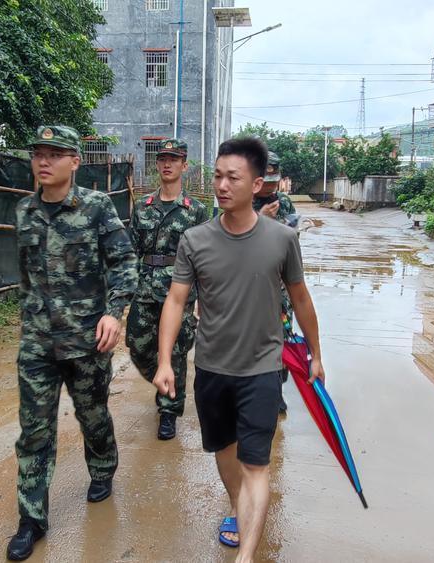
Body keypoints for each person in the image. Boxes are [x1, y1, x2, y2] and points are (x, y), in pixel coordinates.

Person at [153, 137, 325, 562]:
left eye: (233, 177)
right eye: (217, 176)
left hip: (262, 368)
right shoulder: (194, 240)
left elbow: (301, 299)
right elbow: (176, 301)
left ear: (257, 183)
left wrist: (315, 355)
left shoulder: (282, 239)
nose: (222, 185)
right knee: (225, 452)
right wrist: (164, 361)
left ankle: (246, 553)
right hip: (212, 366)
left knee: (256, 465)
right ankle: (236, 507)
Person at [8, 125, 137, 561]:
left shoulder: (97, 207)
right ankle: (31, 519)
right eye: (38, 153)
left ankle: (102, 468)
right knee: (34, 432)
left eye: (55, 154)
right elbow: (27, 277)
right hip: (38, 345)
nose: (44, 161)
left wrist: (112, 312)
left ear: (75, 161)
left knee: (92, 415)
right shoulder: (23, 211)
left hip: (87, 341)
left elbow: (124, 262)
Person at [126, 138, 210, 440]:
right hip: (146, 288)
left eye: (174, 159)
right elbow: (130, 251)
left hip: (180, 291)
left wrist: (203, 298)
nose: (167, 163)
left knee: (174, 352)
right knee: (137, 345)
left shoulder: (196, 211)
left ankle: (169, 410)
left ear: (184, 165)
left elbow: (205, 257)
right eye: (162, 158)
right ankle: (164, 382)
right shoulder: (143, 208)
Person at [252, 152, 299, 413]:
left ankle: (277, 391)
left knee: (281, 338)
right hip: (250, 285)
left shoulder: (285, 203)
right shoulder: (243, 203)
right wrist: (261, 218)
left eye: (273, 180)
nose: (269, 185)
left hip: (279, 285)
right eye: (265, 179)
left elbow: (293, 239)